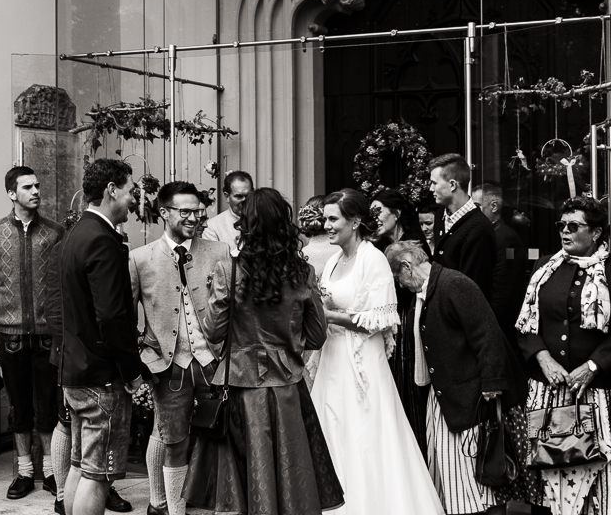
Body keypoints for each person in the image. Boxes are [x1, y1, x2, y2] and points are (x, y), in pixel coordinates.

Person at [184, 185, 343, 515]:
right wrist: (287, 344)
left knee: (240, 485)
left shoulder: (229, 271)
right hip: (286, 388)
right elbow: (317, 335)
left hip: (240, 388)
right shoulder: (302, 273)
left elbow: (214, 332)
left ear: (246, 225)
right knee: (290, 477)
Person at [312, 187, 443, 515]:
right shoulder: (331, 261)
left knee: (366, 433)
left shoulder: (373, 259)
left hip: (362, 363)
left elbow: (382, 318)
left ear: (354, 221)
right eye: (324, 218)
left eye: (333, 218)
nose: (326, 225)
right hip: (332, 358)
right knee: (331, 426)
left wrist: (328, 315)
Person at [516, 195, 611, 515]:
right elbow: (525, 324)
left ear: (596, 232)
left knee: (599, 476)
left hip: (597, 392)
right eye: (561, 225)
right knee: (551, 473)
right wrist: (542, 357)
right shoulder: (544, 267)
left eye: (574, 226)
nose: (565, 232)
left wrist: (592, 365)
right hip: (549, 390)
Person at [129, 181, 227, 515]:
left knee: (222, 435)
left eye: (197, 211)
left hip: (213, 361)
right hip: (168, 366)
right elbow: (127, 317)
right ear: (164, 212)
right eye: (184, 211)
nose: (193, 217)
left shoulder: (219, 252)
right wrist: (143, 357)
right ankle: (174, 510)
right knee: (173, 441)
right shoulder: (140, 259)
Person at [401, 256, 526, 513]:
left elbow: (486, 334)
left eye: (398, 279)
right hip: (447, 397)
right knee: (452, 475)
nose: (401, 286)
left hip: (471, 399)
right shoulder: (429, 291)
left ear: (406, 267)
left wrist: (492, 383)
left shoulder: (454, 284)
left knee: (479, 476)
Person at [59, 157, 147, 515]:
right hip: (101, 375)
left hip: (76, 368)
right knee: (98, 474)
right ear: (112, 190)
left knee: (80, 464)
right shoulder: (102, 239)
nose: (133, 201)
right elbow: (111, 315)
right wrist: (131, 370)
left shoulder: (77, 232)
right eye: (130, 191)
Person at [0, 165, 64, 499]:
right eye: (27, 187)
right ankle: (25, 472)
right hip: (9, 334)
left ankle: (52, 471)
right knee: (18, 406)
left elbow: (61, 285)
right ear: (12, 193)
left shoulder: (55, 233)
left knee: (48, 404)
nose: (36, 191)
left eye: (37, 186)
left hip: (46, 334)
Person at [370, 189, 430, 454]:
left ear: (396, 214)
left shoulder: (414, 246)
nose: (375, 218)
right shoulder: (376, 247)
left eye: (378, 212)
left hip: (409, 323)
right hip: (388, 327)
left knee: (408, 391)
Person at [430, 154, 495, 300]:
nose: (430, 188)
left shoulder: (479, 228)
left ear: (452, 185)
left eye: (434, 183)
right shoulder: (440, 215)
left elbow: (474, 289)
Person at [471, 180, 530, 331]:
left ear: (494, 206)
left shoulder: (505, 238)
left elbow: (504, 285)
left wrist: (488, 322)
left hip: (498, 321)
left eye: (477, 207)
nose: (473, 212)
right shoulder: (488, 234)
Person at [201, 170, 253, 251]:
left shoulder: (265, 221)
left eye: (248, 195)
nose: (245, 200)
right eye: (239, 196)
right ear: (227, 196)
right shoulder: (212, 227)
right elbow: (214, 261)